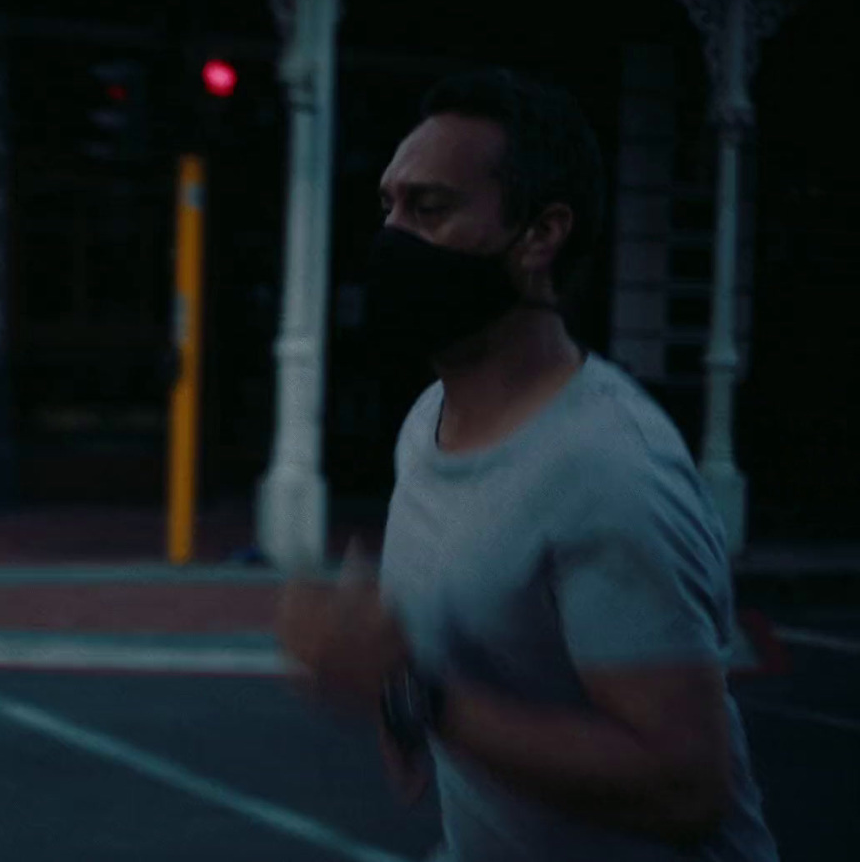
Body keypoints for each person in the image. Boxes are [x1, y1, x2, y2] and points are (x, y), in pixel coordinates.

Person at [277, 68, 779, 861]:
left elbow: (686, 785)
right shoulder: (426, 424)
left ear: (540, 235)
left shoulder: (611, 467)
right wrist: (376, 670)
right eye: (390, 207)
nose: (394, 236)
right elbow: (441, 694)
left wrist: (413, 693)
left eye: (430, 208)